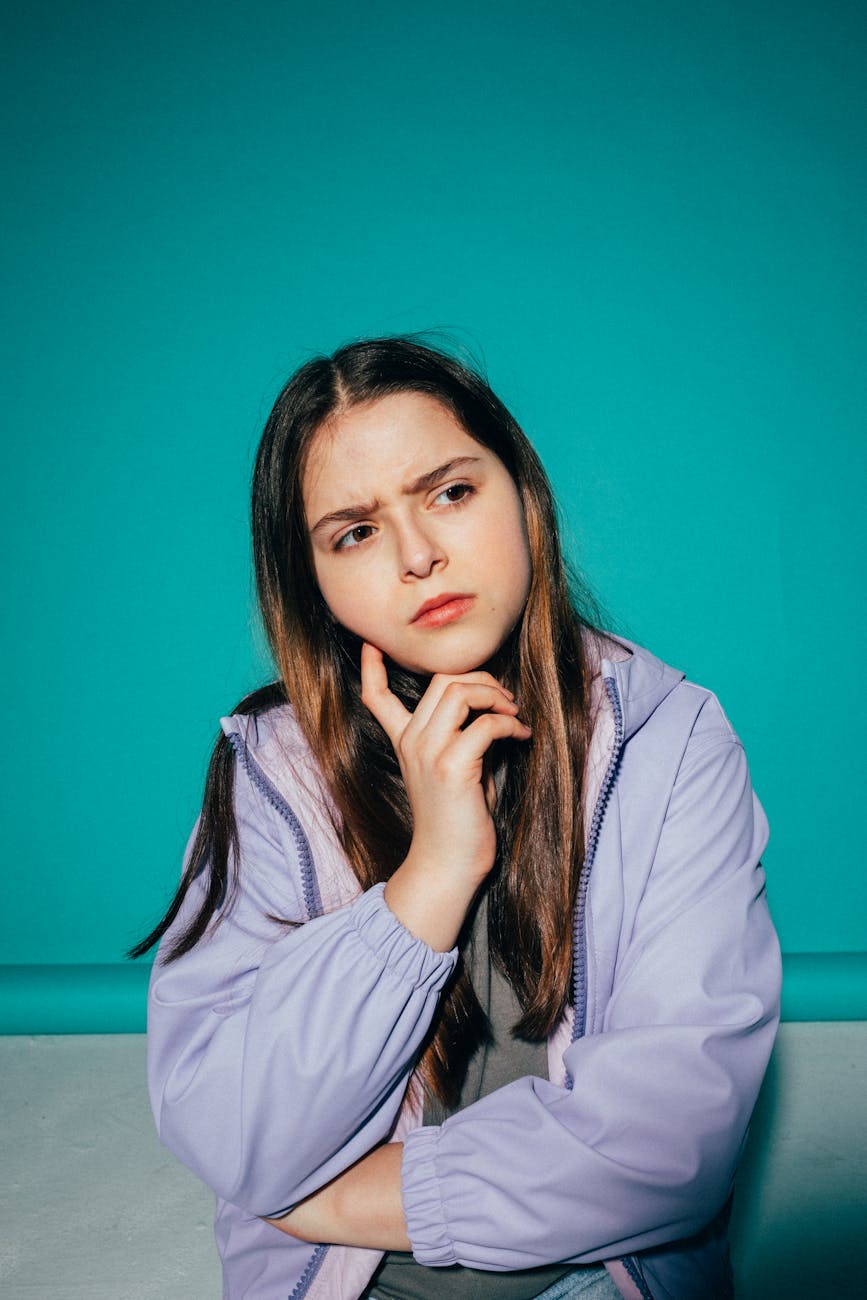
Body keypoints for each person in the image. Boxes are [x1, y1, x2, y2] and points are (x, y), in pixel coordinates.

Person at [133, 336, 781, 1300]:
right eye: (355, 532)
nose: (418, 556)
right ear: (312, 581)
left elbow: (671, 1143)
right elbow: (230, 1127)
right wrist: (430, 877)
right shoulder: (272, 771)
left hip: (599, 1280)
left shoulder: (670, 740)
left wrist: (362, 1200)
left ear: (522, 493)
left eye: (448, 492)